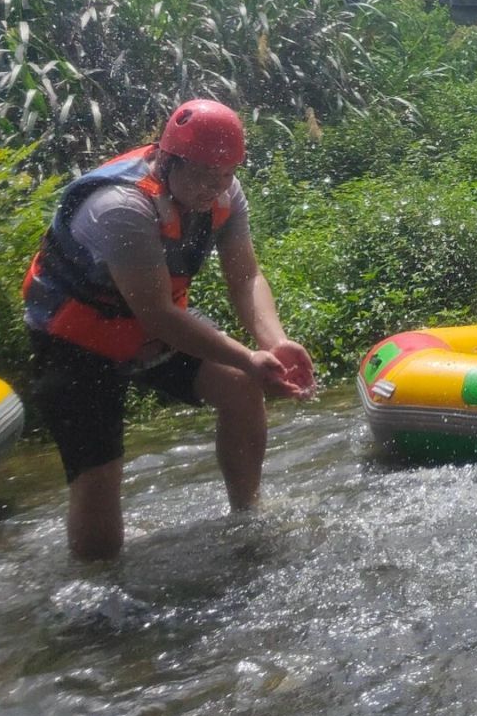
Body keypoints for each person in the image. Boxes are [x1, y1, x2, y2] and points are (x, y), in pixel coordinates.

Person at [22, 99, 316, 562]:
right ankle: (94, 596)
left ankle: (247, 517)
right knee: (100, 489)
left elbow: (244, 277)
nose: (212, 189)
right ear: (166, 159)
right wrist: (248, 358)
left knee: (241, 388)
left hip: (149, 330)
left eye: (223, 175)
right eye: (200, 175)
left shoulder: (225, 191)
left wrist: (273, 343)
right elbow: (157, 314)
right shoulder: (121, 206)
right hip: (75, 342)